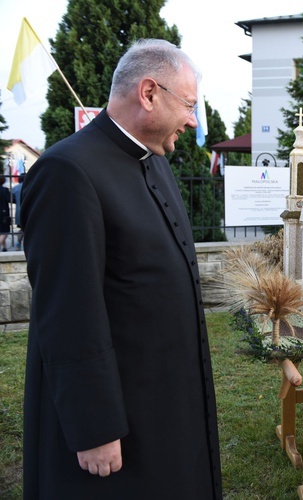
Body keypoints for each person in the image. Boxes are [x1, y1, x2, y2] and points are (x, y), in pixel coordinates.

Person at [21, 39, 222, 498]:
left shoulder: (154, 160)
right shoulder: (67, 173)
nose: (193, 120)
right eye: (189, 105)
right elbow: (69, 314)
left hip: (161, 398)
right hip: (117, 423)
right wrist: (94, 427)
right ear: (149, 93)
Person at [11, 173, 24, 250]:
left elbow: (11, 199)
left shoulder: (15, 188)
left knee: (22, 228)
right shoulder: (32, 186)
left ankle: (18, 243)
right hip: (31, 211)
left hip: (19, 212)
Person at [0, 177, 11, 251]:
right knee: (5, 231)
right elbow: (10, 199)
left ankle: (4, 247)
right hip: (3, 213)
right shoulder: (4, 190)